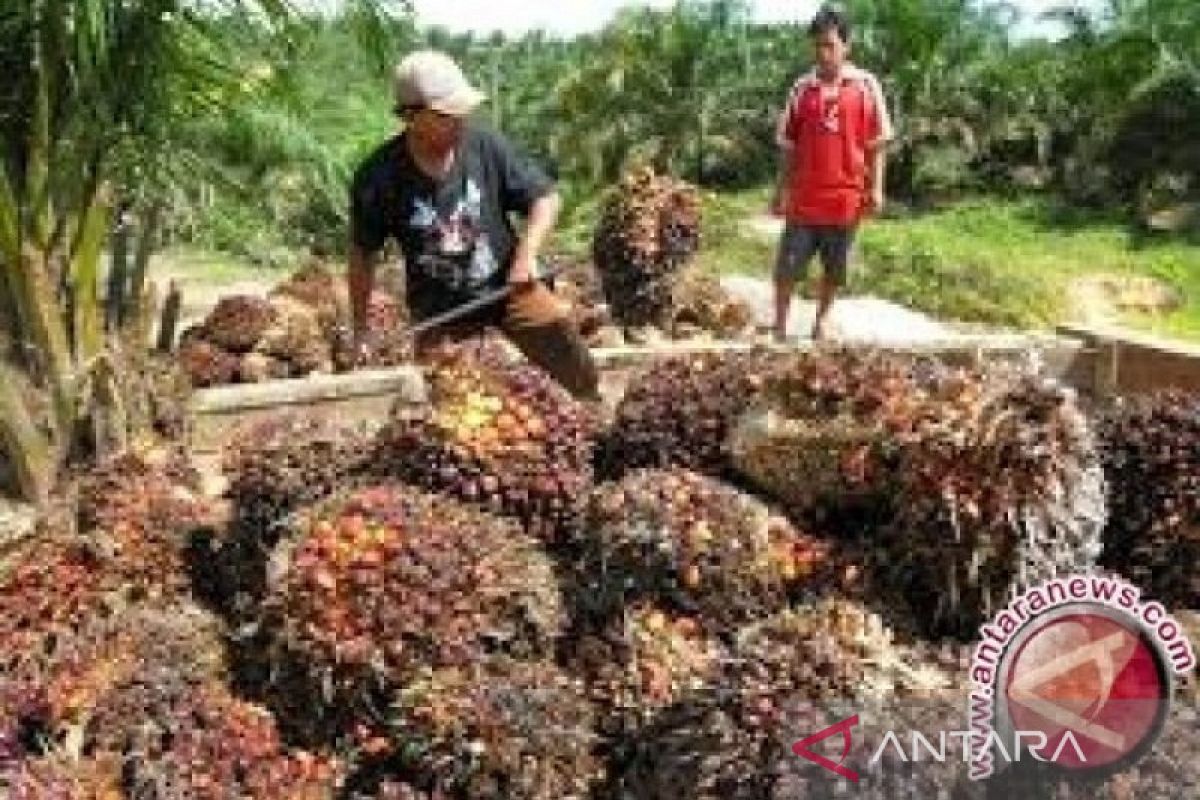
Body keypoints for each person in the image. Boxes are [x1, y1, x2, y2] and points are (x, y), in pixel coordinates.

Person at [347, 49, 600, 399]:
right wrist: (361, 328)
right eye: (448, 115)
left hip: (509, 288)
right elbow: (362, 255)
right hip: (440, 312)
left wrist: (526, 257)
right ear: (412, 116)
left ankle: (591, 407)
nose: (461, 122)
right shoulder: (379, 178)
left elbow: (546, 199)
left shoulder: (484, 145)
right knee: (456, 411)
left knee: (567, 350)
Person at [770, 5, 893, 342]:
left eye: (830, 45)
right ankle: (779, 326)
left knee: (834, 269)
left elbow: (877, 142)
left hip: (846, 200)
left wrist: (877, 189)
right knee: (788, 267)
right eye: (817, 46)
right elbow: (788, 145)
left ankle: (821, 322)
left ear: (846, 46)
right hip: (805, 199)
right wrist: (780, 191)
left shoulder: (866, 86)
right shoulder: (801, 89)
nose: (823, 53)